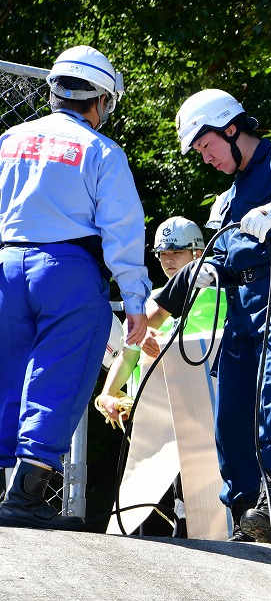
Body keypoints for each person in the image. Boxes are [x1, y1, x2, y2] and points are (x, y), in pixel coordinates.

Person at [171, 88, 271, 543]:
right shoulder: (228, 198)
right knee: (231, 410)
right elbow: (224, 251)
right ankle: (244, 513)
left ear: (231, 128)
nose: (205, 158)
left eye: (207, 146)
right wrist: (209, 272)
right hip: (241, 306)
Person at [0, 45, 149, 528]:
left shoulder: (8, 140)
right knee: (59, 378)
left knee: (4, 375)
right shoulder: (102, 152)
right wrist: (136, 302)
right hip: (68, 269)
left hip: (5, 261)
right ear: (101, 101)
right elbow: (122, 232)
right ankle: (24, 500)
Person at [95, 216, 225, 536]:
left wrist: (168, 343)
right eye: (162, 254)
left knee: (199, 519)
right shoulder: (149, 302)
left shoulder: (222, 295)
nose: (167, 260)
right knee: (144, 516)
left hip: (202, 419)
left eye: (176, 253)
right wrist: (108, 394)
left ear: (198, 253)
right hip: (152, 421)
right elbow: (128, 356)